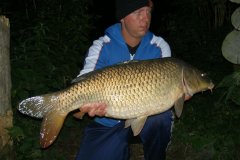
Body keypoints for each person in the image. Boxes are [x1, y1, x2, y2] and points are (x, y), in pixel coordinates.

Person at [75, 0, 173, 159]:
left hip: (146, 121)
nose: (145, 18)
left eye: (148, 12)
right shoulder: (101, 46)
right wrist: (87, 104)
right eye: (138, 12)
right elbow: (83, 82)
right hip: (107, 122)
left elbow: (170, 85)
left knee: (161, 119)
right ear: (122, 17)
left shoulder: (159, 46)